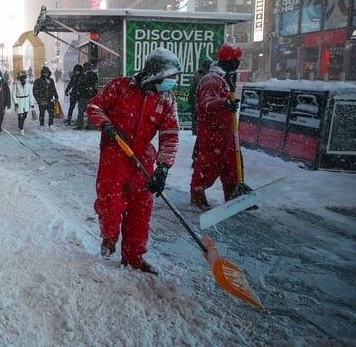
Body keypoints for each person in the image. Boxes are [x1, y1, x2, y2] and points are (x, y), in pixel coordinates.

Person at [86, 47, 181, 274]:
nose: (172, 84)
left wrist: (163, 169)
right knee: (111, 203)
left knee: (141, 210)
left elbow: (170, 136)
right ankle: (109, 237)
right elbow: (94, 106)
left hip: (143, 158)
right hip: (114, 155)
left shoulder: (166, 99)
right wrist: (108, 126)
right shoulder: (119, 87)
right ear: (155, 74)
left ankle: (134, 256)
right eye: (170, 78)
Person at [190, 45, 247, 210]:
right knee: (207, 165)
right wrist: (225, 103)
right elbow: (207, 104)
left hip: (227, 132)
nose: (239, 63)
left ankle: (234, 196)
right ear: (230, 60)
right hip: (212, 132)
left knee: (233, 166)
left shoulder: (227, 77)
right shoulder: (211, 80)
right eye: (237, 60)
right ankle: (197, 195)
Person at [188, 60, 212, 136]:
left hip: (198, 106)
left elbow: (192, 96)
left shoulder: (199, 78)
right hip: (202, 107)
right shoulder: (208, 78)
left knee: (197, 125)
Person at [74, 59, 99, 130]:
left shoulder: (83, 75)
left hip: (84, 96)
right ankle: (90, 125)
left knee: (81, 111)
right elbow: (95, 84)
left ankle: (80, 125)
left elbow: (80, 85)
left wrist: (80, 92)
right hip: (92, 95)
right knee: (90, 111)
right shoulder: (94, 75)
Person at [32, 66, 60, 130]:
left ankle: (51, 124)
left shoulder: (51, 80)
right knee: (42, 113)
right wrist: (38, 100)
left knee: (51, 113)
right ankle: (41, 124)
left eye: (47, 72)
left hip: (50, 99)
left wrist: (56, 96)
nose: (46, 74)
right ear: (42, 73)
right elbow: (35, 91)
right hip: (42, 99)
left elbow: (54, 89)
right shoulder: (38, 81)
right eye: (45, 73)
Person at [12, 70, 35, 135]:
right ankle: (21, 128)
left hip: (26, 101)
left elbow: (30, 94)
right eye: (21, 77)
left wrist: (32, 103)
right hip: (19, 101)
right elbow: (13, 94)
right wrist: (15, 102)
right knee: (20, 116)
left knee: (25, 115)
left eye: (23, 77)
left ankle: (20, 123)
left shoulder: (28, 85)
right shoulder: (16, 84)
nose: (22, 78)